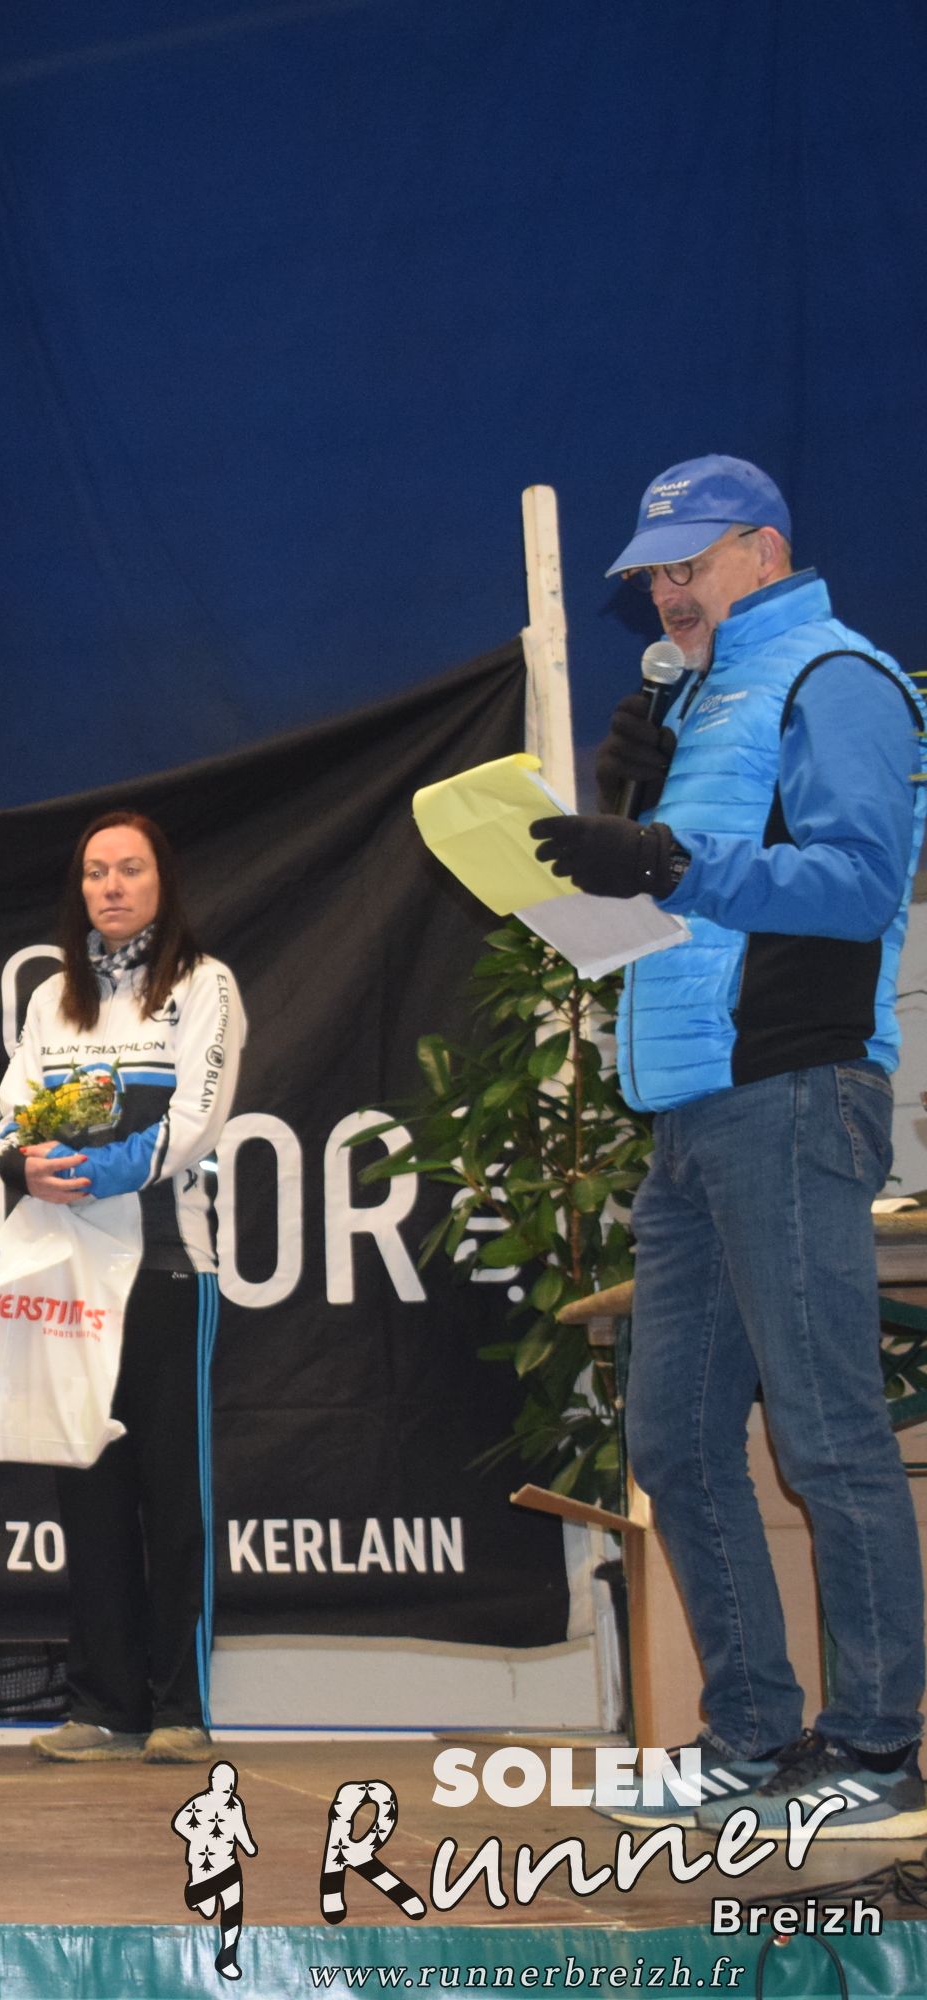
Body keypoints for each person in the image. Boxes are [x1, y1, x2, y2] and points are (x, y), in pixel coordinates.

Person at [528, 455, 927, 1840]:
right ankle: (753, 1737)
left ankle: (876, 1745)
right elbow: (679, 917)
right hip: (691, 1106)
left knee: (825, 1429)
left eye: (688, 565)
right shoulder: (696, 703)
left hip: (794, 1085)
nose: (666, 592)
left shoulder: (835, 677)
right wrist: (617, 852)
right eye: (653, 572)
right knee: (676, 1437)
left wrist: (669, 862)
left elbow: (861, 881)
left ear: (763, 551)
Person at [6, 812, 244, 1766]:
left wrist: (100, 1169)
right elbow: (13, 1114)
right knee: (89, 1495)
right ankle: (103, 1705)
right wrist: (24, 1162)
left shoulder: (203, 984)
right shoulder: (50, 999)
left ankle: (181, 1708)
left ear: (162, 881)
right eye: (96, 872)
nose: (111, 886)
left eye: (130, 869)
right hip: (71, 1275)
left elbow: (199, 1115)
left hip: (168, 1267)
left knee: (173, 1496)